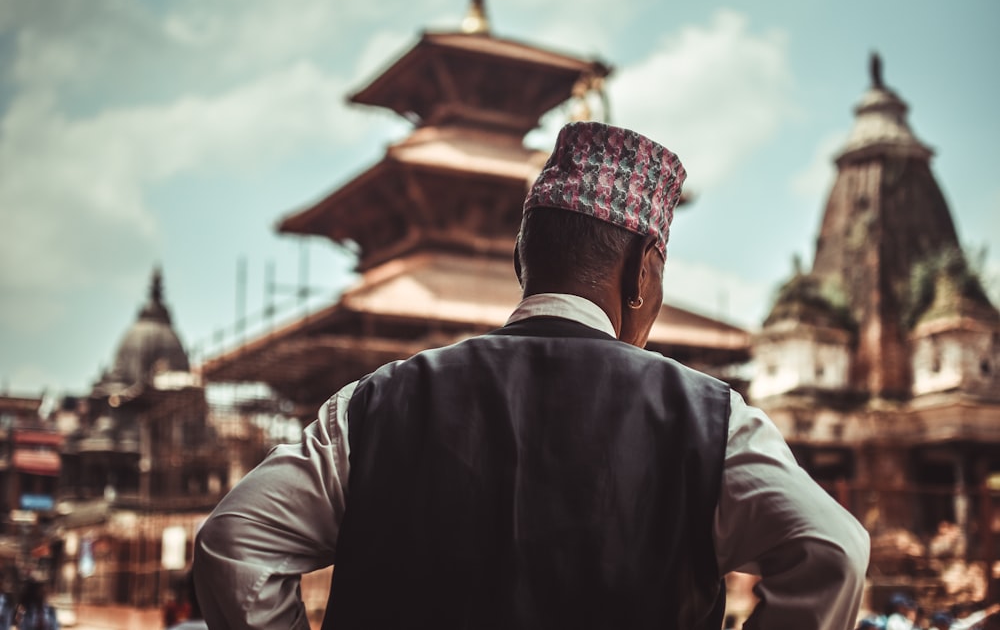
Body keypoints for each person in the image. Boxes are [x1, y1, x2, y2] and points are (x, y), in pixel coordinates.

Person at [193, 121, 870, 629]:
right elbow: (833, 549)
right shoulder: (712, 419)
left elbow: (234, 542)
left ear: (525, 262)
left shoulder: (374, 406)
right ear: (644, 272)